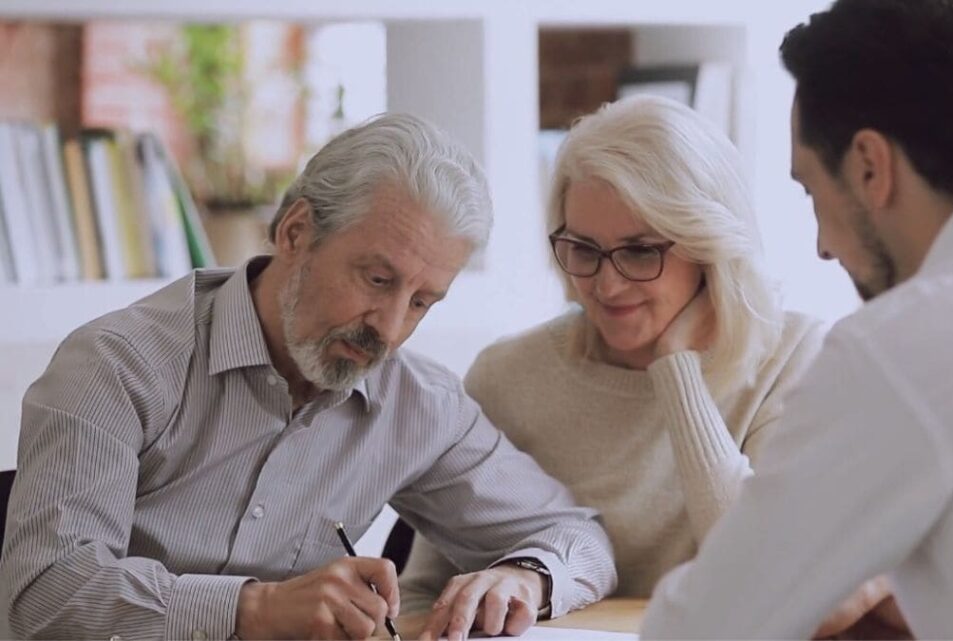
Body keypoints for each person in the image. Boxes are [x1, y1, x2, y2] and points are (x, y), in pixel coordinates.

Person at [0, 113, 616, 641]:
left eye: (423, 301)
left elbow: (577, 538)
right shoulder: (117, 364)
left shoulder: (418, 405)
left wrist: (525, 578)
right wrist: (256, 607)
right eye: (376, 280)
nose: (391, 327)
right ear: (296, 231)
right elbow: (43, 593)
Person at [641, 0, 953, 639]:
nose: (822, 244)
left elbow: (705, 627)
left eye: (811, 190)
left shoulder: (903, 345)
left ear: (871, 167)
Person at [399, 95, 888, 637]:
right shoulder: (507, 375)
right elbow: (422, 589)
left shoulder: (795, 358)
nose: (606, 285)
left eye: (638, 252)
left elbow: (766, 569)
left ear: (708, 246)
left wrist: (678, 371)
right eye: (583, 249)